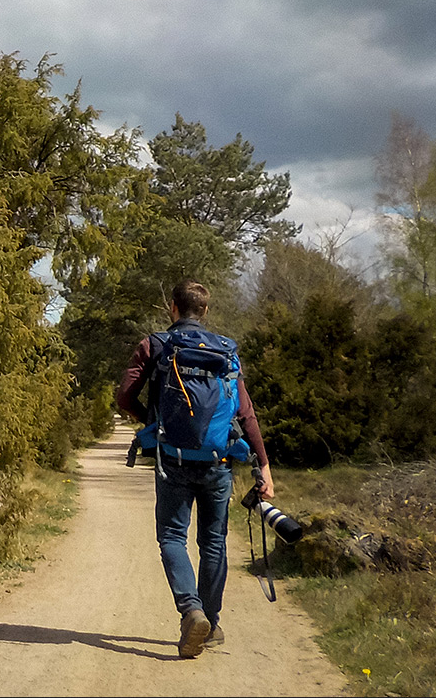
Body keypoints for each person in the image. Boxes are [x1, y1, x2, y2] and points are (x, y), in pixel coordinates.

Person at [116, 279, 275, 659]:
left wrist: (151, 423)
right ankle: (212, 621)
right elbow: (245, 413)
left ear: (173, 308)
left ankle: (191, 610)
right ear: (205, 311)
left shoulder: (155, 345)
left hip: (172, 459)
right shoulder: (227, 352)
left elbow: (124, 396)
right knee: (214, 542)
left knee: (172, 536)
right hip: (218, 463)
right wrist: (264, 466)